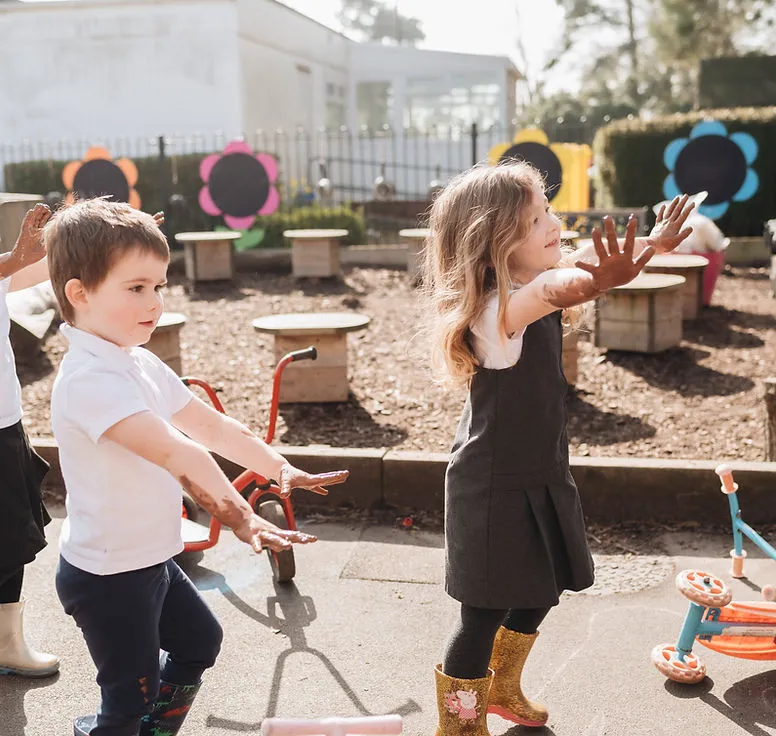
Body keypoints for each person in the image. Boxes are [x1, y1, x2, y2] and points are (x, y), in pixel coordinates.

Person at [43, 198, 349, 736]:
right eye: (136, 288)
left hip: (150, 558)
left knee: (199, 643)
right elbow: (180, 453)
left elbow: (211, 427)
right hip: (109, 577)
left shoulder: (136, 360)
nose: (154, 301)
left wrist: (279, 467)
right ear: (79, 293)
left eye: (159, 286)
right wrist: (242, 519)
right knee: (127, 701)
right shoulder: (90, 380)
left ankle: (150, 731)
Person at [420, 162, 695, 734]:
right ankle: (459, 726)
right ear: (495, 241)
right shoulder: (496, 311)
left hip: (540, 474)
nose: (554, 223)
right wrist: (596, 283)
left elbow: (580, 267)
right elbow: (556, 289)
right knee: (483, 614)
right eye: (536, 219)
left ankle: (501, 688)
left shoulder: (533, 285)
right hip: (492, 487)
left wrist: (651, 245)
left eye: (548, 210)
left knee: (542, 588)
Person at [0, 203, 59, 679]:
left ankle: (7, 641)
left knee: (11, 536)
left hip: (4, 421)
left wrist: (109, 241)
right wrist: (16, 258)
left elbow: (32, 269)